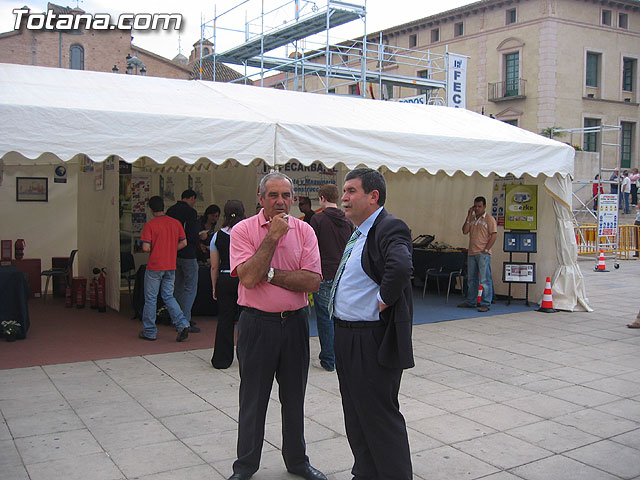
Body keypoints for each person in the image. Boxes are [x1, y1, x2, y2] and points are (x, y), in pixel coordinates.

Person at [227, 172, 326, 480]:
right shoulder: (243, 230)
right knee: (253, 399)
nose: (280, 201)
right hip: (257, 324)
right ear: (260, 199)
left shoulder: (306, 231)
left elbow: (312, 281)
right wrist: (271, 237)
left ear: (294, 199)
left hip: (295, 324)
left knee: (294, 398)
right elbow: (246, 277)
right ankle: (245, 467)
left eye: (285, 195)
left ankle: (297, 461)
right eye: (273, 195)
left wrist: (267, 274)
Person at [330, 168, 414, 480]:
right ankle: (365, 472)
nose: (344, 197)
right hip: (346, 336)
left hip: (370, 339)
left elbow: (401, 265)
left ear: (373, 196)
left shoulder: (389, 226)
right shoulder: (359, 231)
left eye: (351, 191)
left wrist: (383, 300)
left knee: (379, 416)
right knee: (355, 413)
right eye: (344, 191)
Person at [309, 183, 353, 372]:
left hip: (324, 273)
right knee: (342, 317)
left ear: (322, 198)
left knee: (325, 318)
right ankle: (342, 356)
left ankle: (328, 359)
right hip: (344, 274)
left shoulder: (317, 219)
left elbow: (311, 249)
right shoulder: (349, 220)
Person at [139, 196, 190, 342]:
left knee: (151, 298)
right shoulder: (175, 223)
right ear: (163, 207)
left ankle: (149, 331)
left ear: (150, 209)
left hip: (155, 266)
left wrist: (156, 249)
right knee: (168, 296)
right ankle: (182, 323)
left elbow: (146, 247)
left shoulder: (150, 225)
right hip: (170, 264)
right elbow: (184, 242)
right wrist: (170, 250)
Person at [210, 200, 245, 369]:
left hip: (225, 277)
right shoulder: (248, 232)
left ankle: (222, 359)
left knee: (225, 320)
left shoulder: (218, 235)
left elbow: (214, 265)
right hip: (244, 278)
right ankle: (247, 356)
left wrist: (214, 285)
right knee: (247, 319)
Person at [166, 189, 201, 333]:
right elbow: (192, 235)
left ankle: (176, 317)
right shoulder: (191, 213)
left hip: (172, 252)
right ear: (192, 198)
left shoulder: (170, 210)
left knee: (177, 285)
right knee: (190, 286)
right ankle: (184, 319)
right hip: (188, 253)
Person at [458, 196, 497, 312]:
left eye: (479, 206)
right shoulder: (473, 219)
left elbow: (494, 235)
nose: (477, 209)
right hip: (471, 253)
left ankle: (486, 303)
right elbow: (465, 231)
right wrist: (469, 215)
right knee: (471, 279)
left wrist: (486, 249)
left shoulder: (489, 219)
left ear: (484, 206)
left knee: (485, 279)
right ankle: (471, 301)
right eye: (475, 206)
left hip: (483, 253)